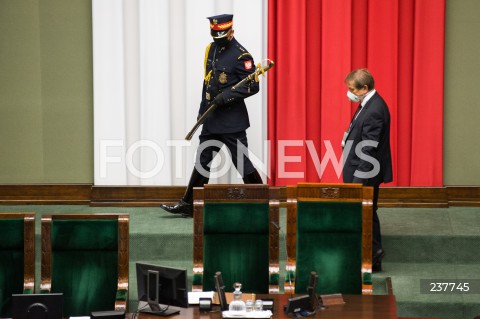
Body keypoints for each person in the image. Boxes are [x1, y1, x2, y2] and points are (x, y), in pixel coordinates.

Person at [162, 14, 263, 218]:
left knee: (242, 162)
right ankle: (188, 204)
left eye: (222, 36)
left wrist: (226, 97)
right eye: (215, 35)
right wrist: (202, 109)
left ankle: (263, 203)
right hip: (212, 118)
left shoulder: (241, 56)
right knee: (202, 160)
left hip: (232, 122)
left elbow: (253, 86)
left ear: (231, 32)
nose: (218, 39)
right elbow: (207, 82)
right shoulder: (212, 49)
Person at [341, 68, 393, 272]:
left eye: (352, 89)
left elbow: (369, 149)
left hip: (365, 173)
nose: (349, 93)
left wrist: (358, 182)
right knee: (368, 213)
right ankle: (372, 254)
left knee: (367, 213)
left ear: (364, 88)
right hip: (362, 169)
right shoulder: (368, 103)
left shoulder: (374, 110)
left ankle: (374, 255)